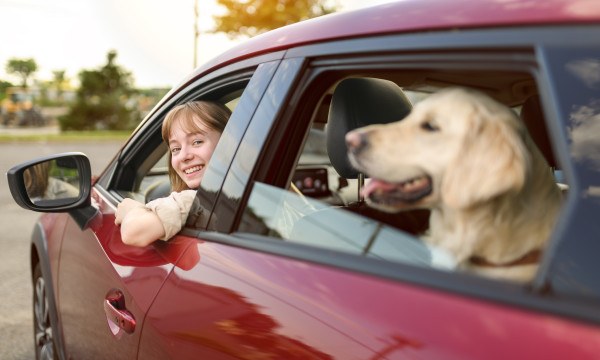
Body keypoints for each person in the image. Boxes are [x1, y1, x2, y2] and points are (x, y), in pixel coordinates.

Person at [115, 100, 231, 247]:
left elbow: (132, 233)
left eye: (197, 142)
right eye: (176, 149)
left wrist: (132, 209)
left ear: (229, 144)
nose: (184, 156)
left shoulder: (191, 201)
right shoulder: (248, 192)